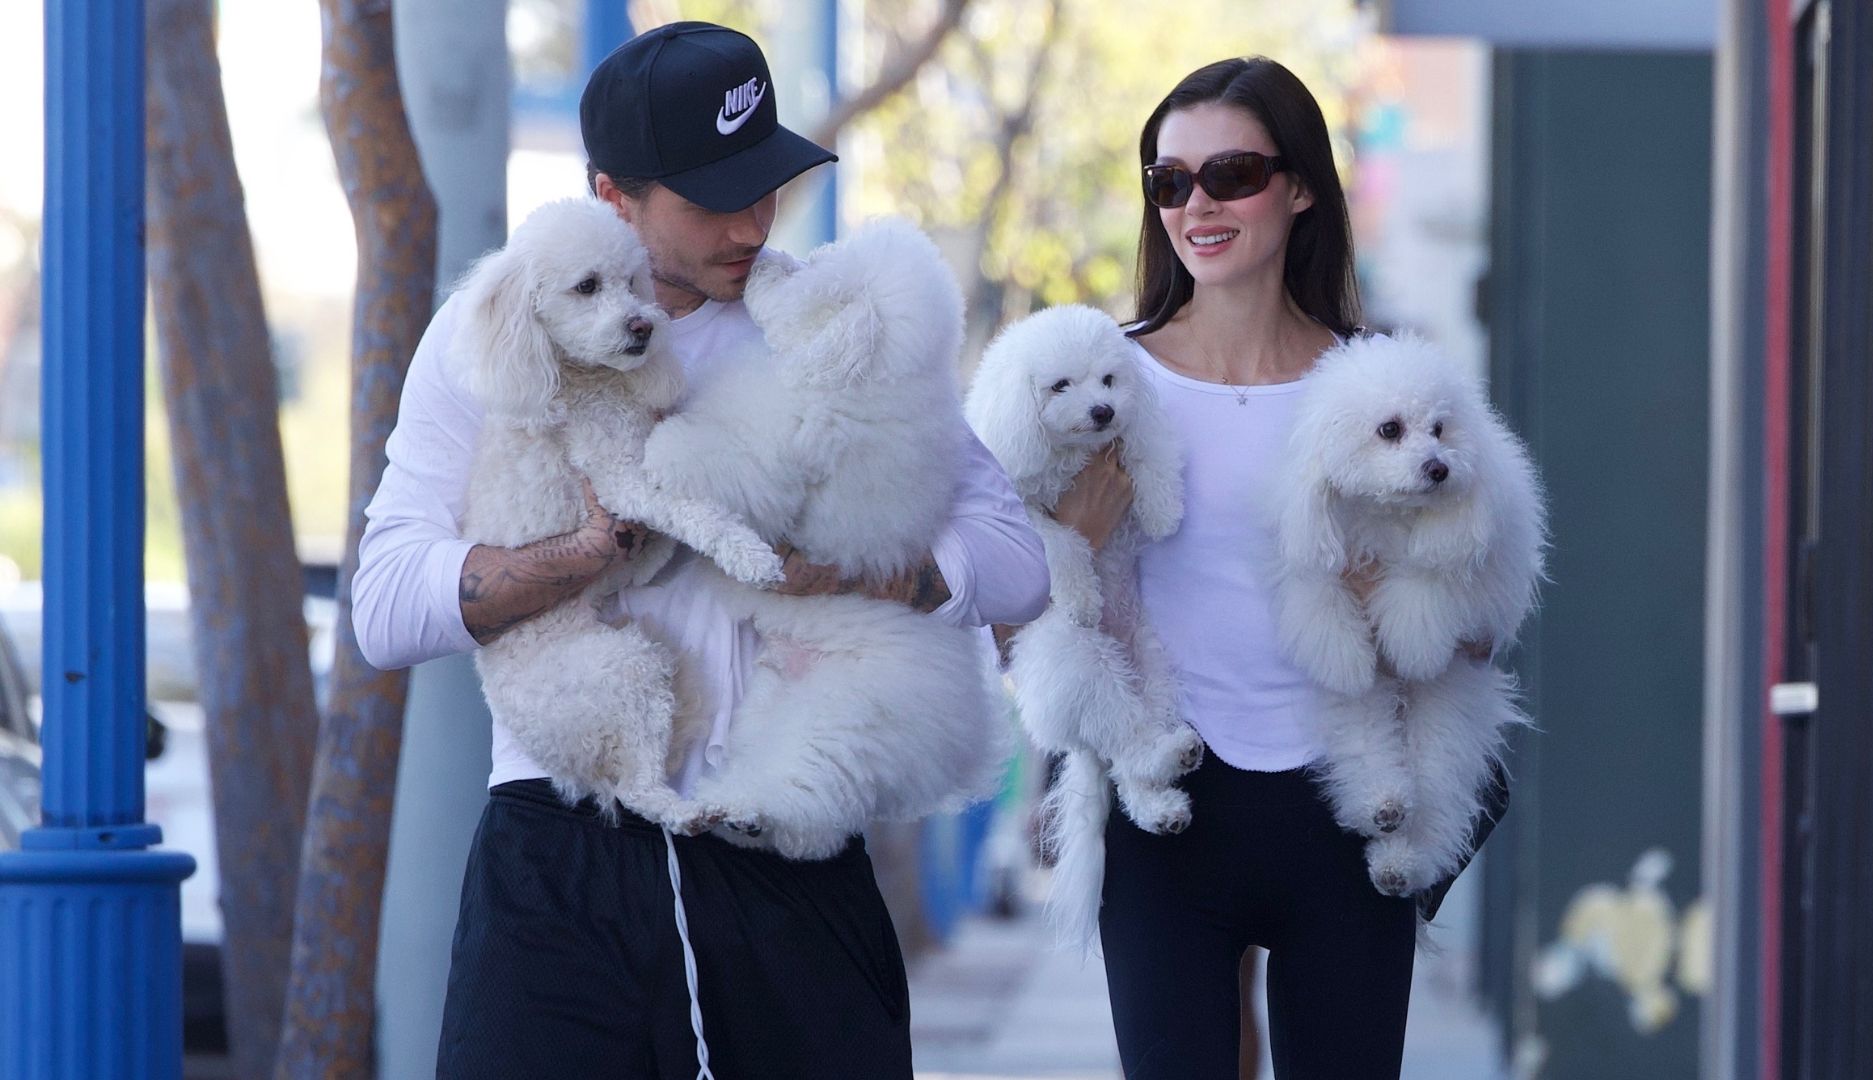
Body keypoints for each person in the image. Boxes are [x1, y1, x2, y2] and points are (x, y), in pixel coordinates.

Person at [351, 22, 1048, 1079]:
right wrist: (586, 552)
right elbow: (386, 606)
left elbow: (1015, 558)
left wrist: (854, 567)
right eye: (712, 198)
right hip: (561, 848)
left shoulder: (831, 319)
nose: (753, 223)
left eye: (764, 184)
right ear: (612, 195)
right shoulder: (493, 335)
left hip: (786, 845)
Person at [1043, 56, 1476, 1078]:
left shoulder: (1385, 388)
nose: (1197, 203)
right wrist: (1065, 538)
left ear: (1301, 185)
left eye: (1230, 173)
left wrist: (1405, 600)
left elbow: (1483, 606)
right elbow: (1014, 609)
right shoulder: (1104, 377)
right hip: (1171, 810)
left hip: (1349, 803)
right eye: (1169, 180)